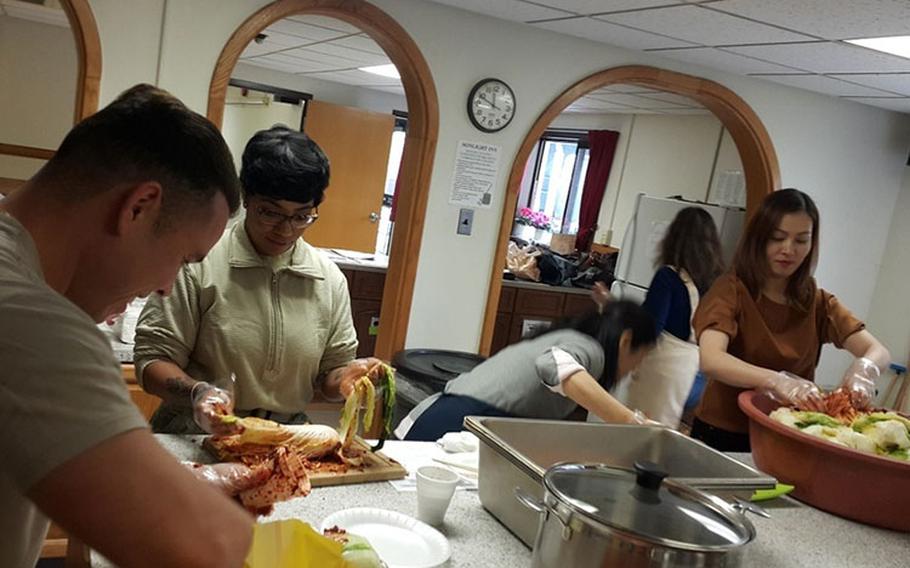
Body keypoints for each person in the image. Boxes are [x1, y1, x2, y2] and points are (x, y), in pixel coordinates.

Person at [0, 85, 259, 567]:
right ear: (138, 207)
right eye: (184, 259)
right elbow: (209, 549)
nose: (166, 286)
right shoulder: (30, 320)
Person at [134, 125, 381, 436]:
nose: (285, 230)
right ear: (246, 197)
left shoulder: (328, 279)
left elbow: (330, 377)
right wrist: (198, 393)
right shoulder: (200, 260)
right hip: (198, 431)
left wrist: (350, 379)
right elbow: (153, 358)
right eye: (270, 212)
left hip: (283, 438)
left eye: (301, 216)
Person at [692, 188, 890, 451]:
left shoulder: (817, 301)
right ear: (758, 239)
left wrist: (863, 371)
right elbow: (712, 359)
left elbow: (877, 351)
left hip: (788, 435)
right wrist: (775, 380)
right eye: (777, 238)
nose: (789, 250)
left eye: (801, 240)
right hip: (724, 433)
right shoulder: (731, 291)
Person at [397, 301, 658, 441]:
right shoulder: (590, 350)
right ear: (625, 341)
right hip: (456, 427)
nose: (635, 369)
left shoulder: (569, 336)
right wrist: (629, 422)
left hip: (439, 416)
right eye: (640, 358)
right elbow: (554, 364)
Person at [620, 207, 725, 428]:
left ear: (673, 238)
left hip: (662, 373)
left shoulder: (668, 277)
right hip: (694, 373)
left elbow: (650, 328)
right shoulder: (717, 282)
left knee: (640, 432)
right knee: (664, 433)